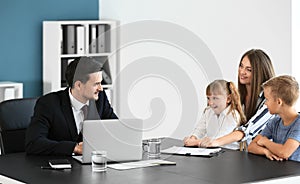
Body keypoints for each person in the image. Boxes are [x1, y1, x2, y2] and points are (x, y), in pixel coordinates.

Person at [25, 57, 117, 156]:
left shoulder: (100, 99)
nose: (101, 89)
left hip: (92, 165)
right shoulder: (48, 104)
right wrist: (74, 148)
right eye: (96, 84)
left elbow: (116, 129)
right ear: (78, 85)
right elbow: (33, 143)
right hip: (59, 167)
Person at [201, 49, 276, 150]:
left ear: (260, 73)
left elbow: (247, 130)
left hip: (262, 158)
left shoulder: (269, 102)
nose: (242, 72)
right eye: (241, 66)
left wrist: (215, 142)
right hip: (239, 154)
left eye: (248, 70)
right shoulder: (237, 96)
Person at [248, 75, 300, 162]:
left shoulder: (298, 124)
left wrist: (265, 142)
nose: (265, 104)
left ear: (279, 102)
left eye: (267, 99)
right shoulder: (275, 121)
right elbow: (251, 146)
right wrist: (266, 151)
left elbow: (284, 152)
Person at [184, 79, 246, 150]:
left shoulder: (233, 115)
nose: (210, 103)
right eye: (208, 98)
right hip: (212, 150)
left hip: (229, 152)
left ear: (228, 99)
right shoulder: (208, 111)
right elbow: (199, 129)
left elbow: (218, 139)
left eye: (215, 98)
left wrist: (196, 142)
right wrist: (192, 138)